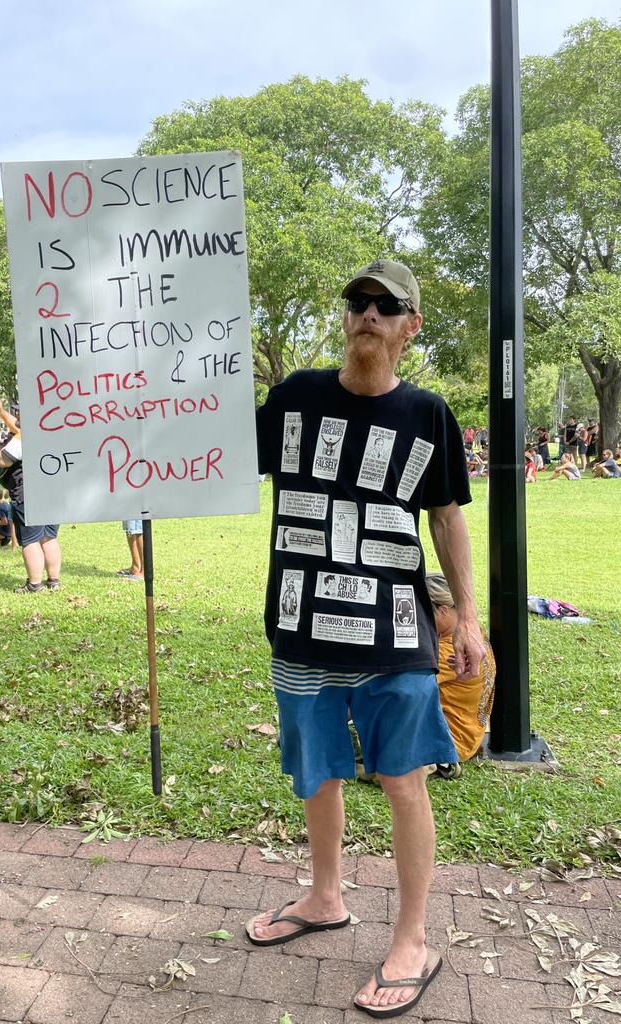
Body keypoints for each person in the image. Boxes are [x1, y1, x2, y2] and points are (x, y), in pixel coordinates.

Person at [249, 258, 484, 1018]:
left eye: (387, 306)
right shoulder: (293, 399)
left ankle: (412, 939)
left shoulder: (429, 415)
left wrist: (471, 622)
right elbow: (212, 460)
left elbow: (447, 516)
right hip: (301, 626)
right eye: (358, 301)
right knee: (316, 770)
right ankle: (325, 897)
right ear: (344, 316)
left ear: (411, 327)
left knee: (402, 779)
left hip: (395, 635)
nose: (369, 315)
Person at [426, 573, 495, 769]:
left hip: (448, 743)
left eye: (423, 614)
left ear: (444, 611)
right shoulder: (475, 635)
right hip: (468, 736)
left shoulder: (447, 651)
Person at [0, 413, 61, 593]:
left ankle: (34, 584)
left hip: (28, 492)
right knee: (49, 536)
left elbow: (2, 460)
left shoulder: (25, 436)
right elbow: (15, 425)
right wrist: (0, 411)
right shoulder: (57, 430)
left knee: (30, 540)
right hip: (54, 490)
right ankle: (53, 580)